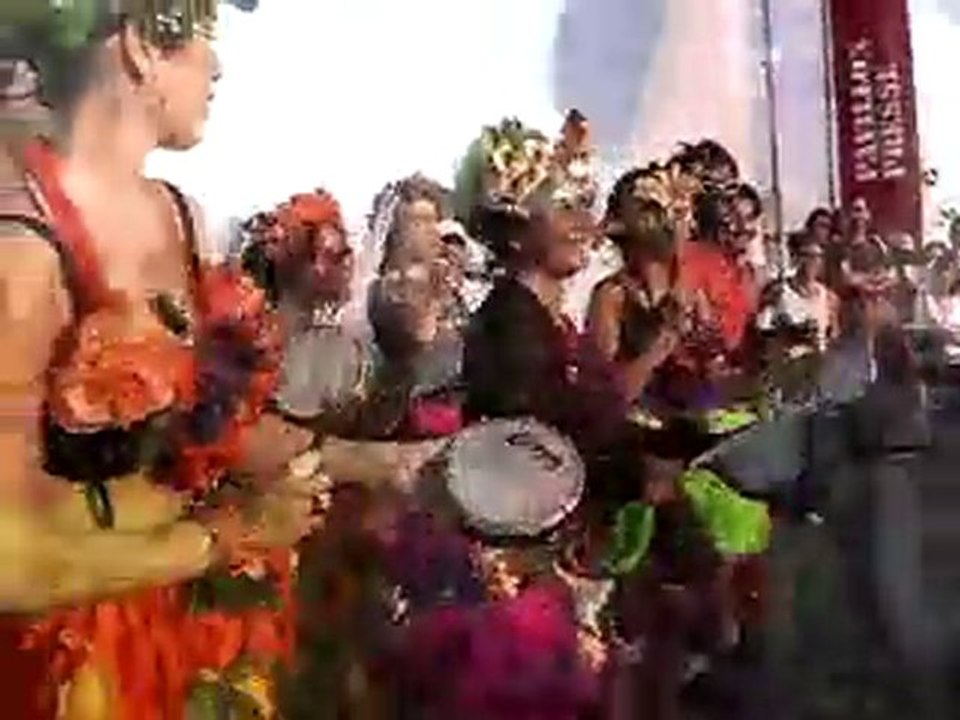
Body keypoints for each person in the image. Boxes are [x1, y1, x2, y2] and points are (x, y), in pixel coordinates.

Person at [0, 4, 434, 717]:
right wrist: (226, 535)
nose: (220, 67)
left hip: (185, 625)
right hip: (74, 666)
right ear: (143, 44)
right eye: (207, 38)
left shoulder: (178, 213)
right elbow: (9, 556)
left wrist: (386, 464)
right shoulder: (25, 242)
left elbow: (209, 439)